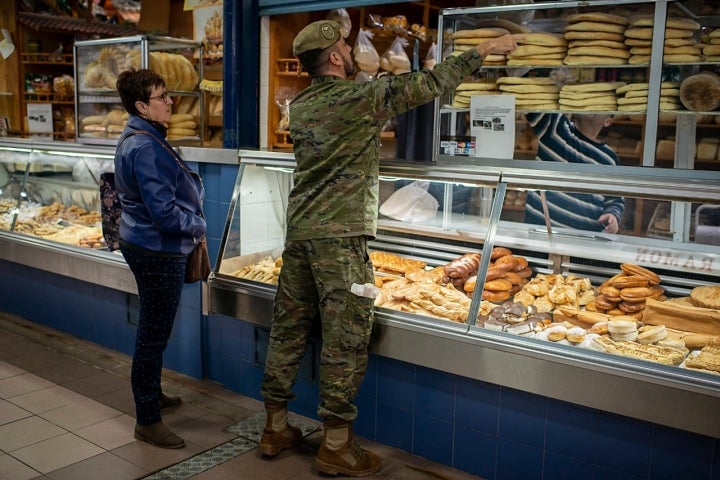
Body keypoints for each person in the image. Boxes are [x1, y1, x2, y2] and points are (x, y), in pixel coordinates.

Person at [258, 19, 517, 477]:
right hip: (340, 240)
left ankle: (275, 426)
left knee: (289, 327)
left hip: (300, 234)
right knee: (346, 338)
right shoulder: (360, 99)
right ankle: (336, 445)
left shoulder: (300, 107)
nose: (349, 47)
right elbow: (431, 82)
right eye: (344, 42)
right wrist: (485, 49)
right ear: (336, 57)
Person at [114, 68, 206, 449]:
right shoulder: (146, 147)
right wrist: (197, 223)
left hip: (142, 242)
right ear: (141, 105)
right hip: (157, 249)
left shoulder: (140, 135)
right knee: (153, 334)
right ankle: (147, 420)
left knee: (154, 329)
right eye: (162, 96)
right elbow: (164, 214)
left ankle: (152, 393)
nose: (170, 101)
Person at [524, 112, 625, 233]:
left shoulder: (609, 158)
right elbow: (534, 103)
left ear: (607, 122)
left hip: (583, 242)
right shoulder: (555, 128)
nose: (594, 105)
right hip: (539, 234)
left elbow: (615, 198)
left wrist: (612, 215)